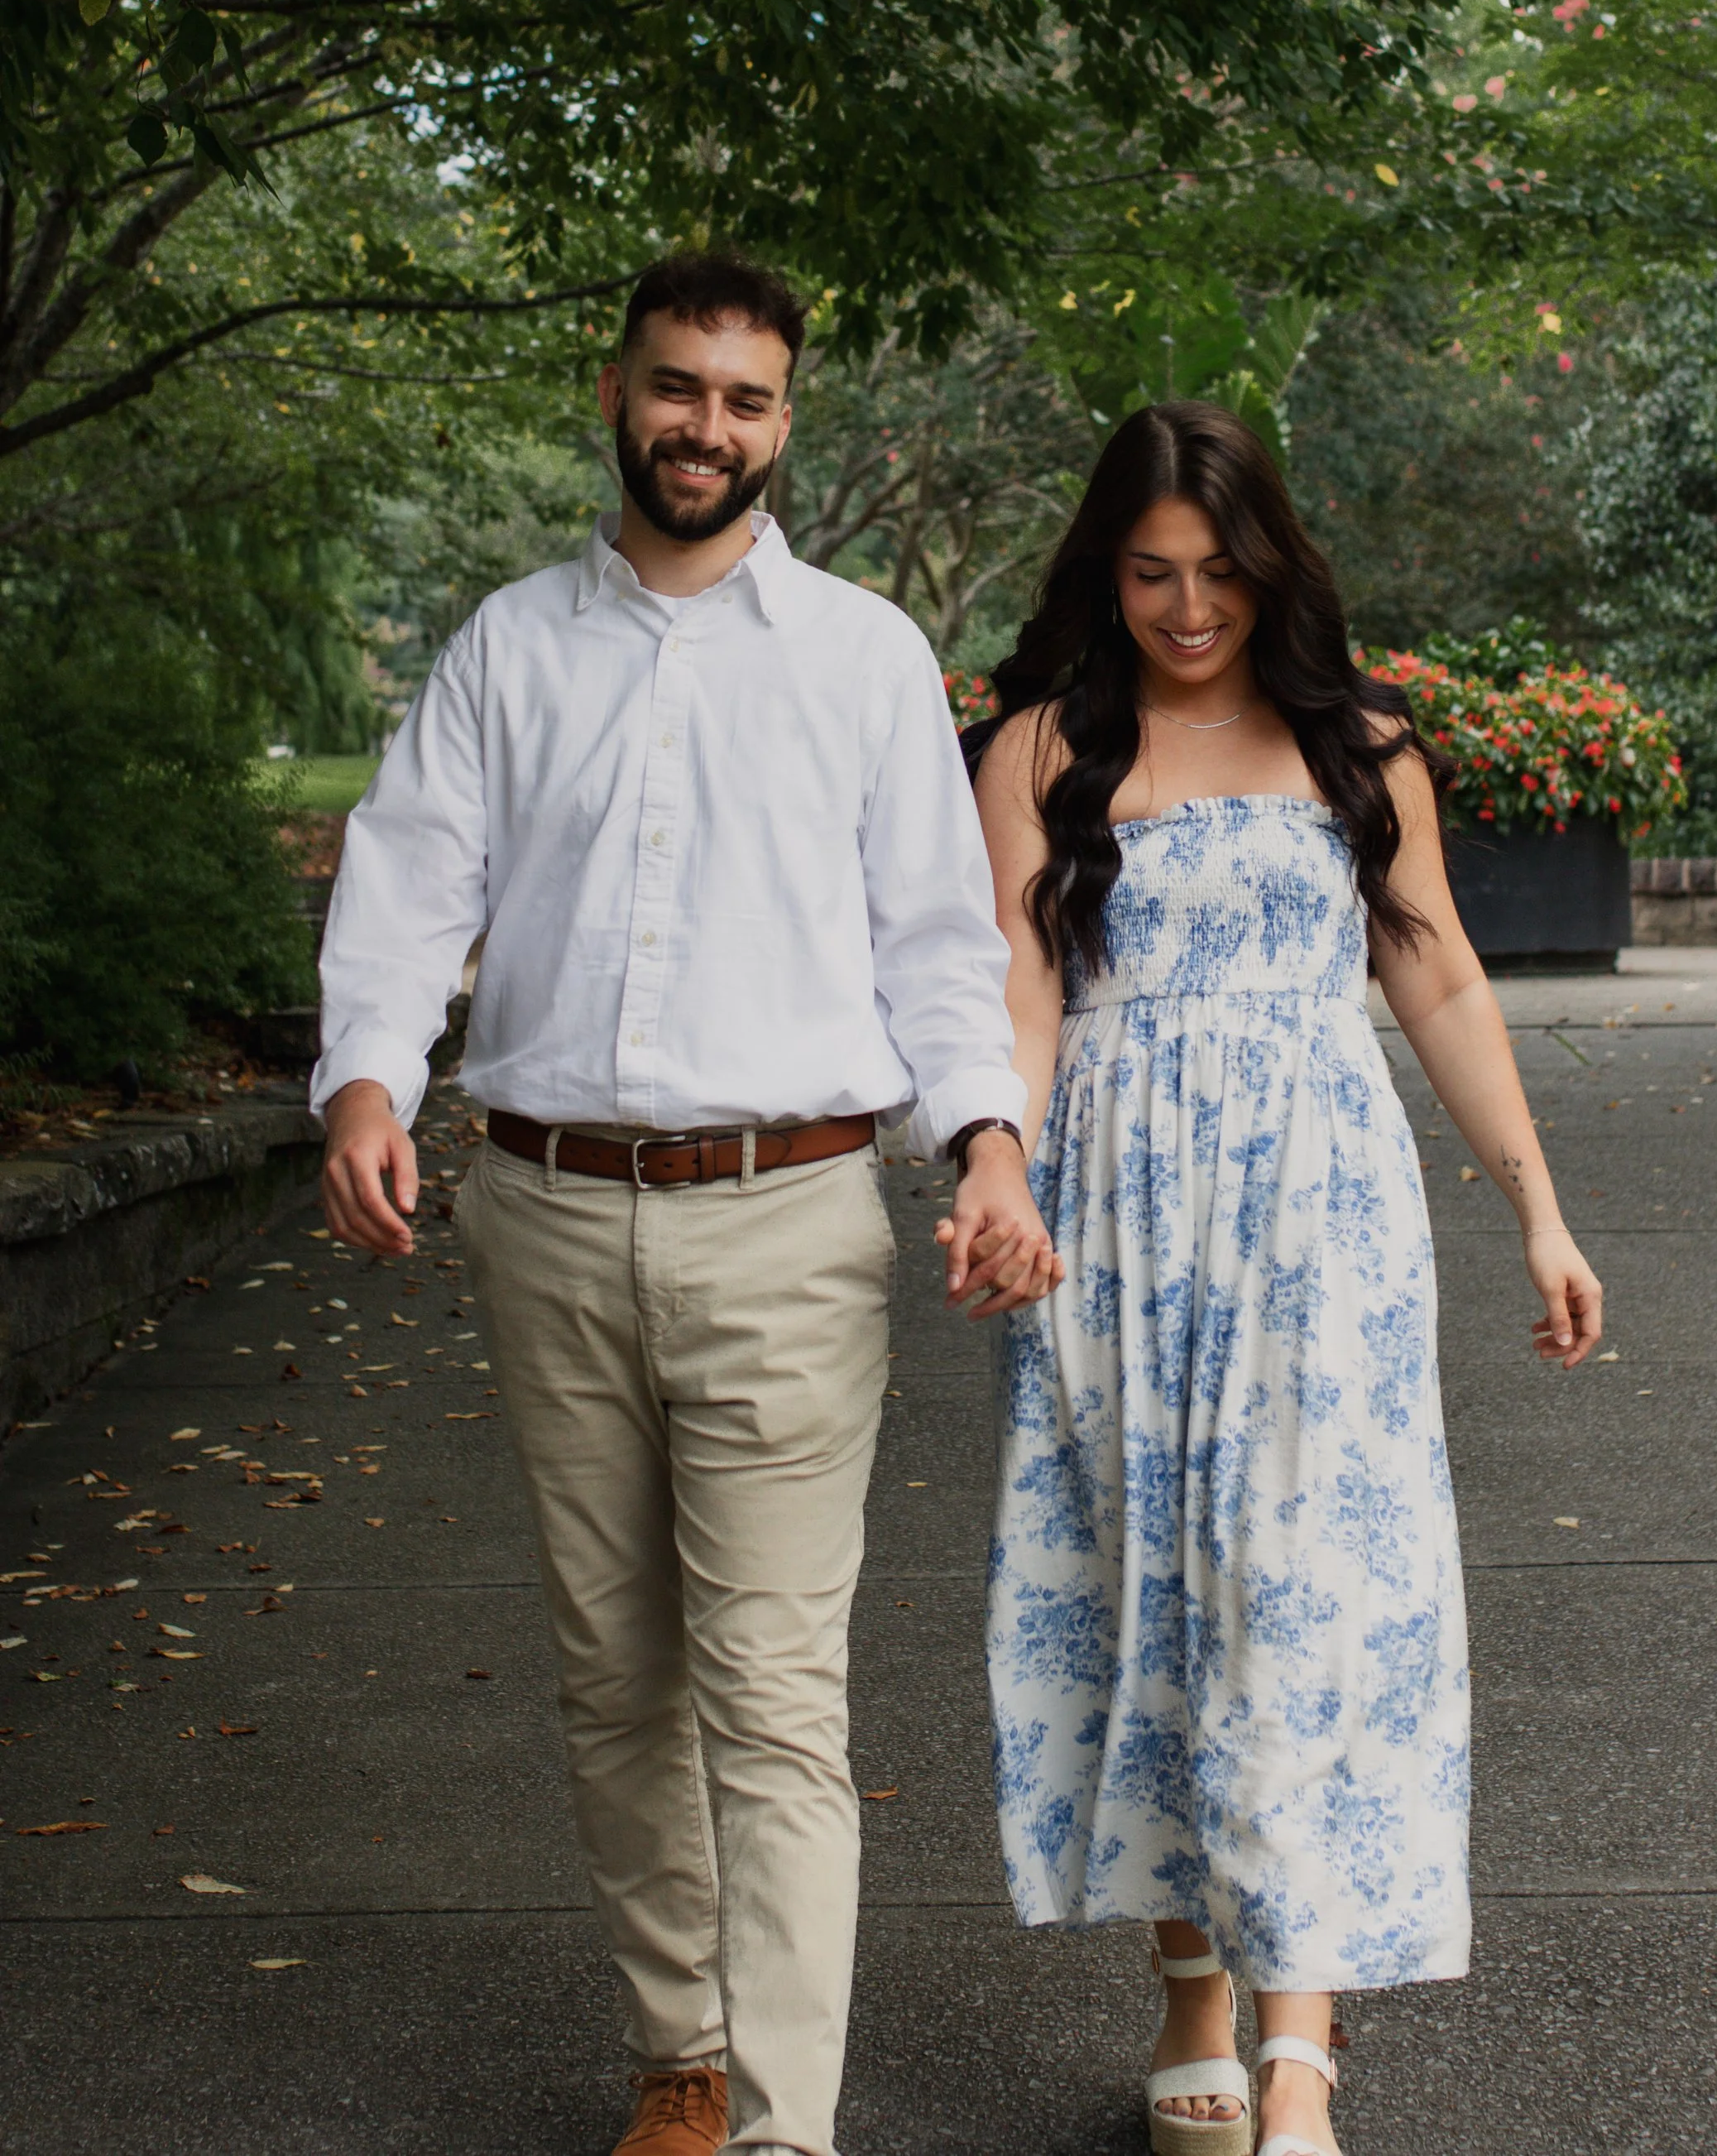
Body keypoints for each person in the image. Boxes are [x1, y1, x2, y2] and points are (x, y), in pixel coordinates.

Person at [314, 250, 1059, 2156]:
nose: (704, 427)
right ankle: (683, 2054)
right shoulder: (508, 647)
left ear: (783, 420)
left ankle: (784, 2128)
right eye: (676, 389)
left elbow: (934, 943)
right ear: (616, 393)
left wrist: (982, 1143)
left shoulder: (865, 657)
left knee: (775, 1696)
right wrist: (370, 1081)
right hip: (545, 1218)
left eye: (744, 399)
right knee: (614, 1674)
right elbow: (410, 879)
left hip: (788, 1224)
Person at [966, 401, 1603, 2156]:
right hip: (1109, 1222)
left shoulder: (1354, 747)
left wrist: (1534, 1210)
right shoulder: (1033, 749)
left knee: (1299, 1598)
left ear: (1273, 567)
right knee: (1152, 1590)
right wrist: (997, 1170)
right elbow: (1016, 997)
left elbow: (1445, 982)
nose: (1188, 611)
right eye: (1154, 574)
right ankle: (1189, 1987)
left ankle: (1299, 2056)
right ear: (1107, 569)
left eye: (1221, 575)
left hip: (1318, 1226)